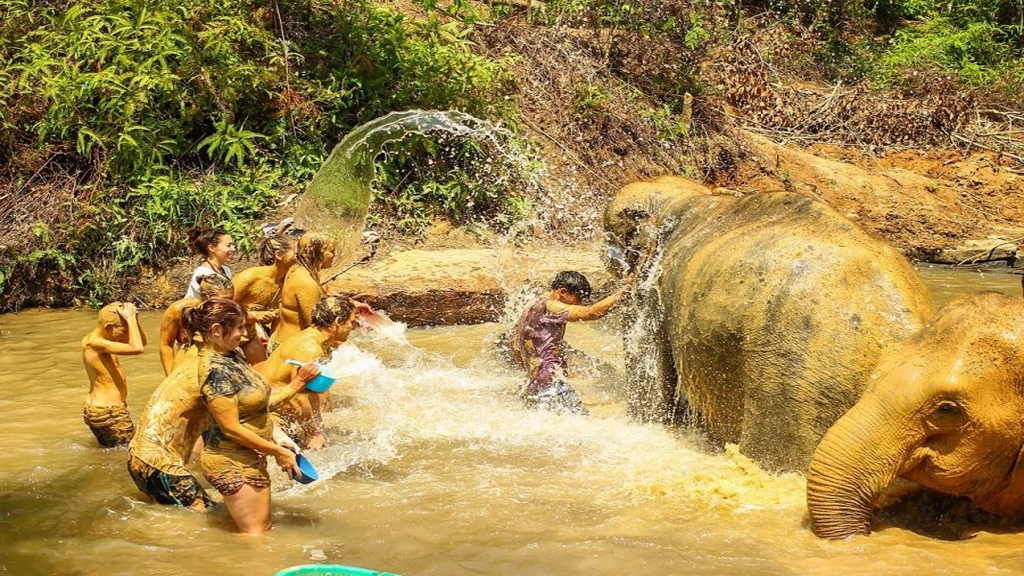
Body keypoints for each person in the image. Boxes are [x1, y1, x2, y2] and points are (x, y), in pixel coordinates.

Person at [188, 298, 320, 534]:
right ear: (217, 330)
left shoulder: (233, 355)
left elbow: (257, 404)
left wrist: (299, 382)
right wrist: (278, 452)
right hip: (231, 462)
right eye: (239, 327)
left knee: (256, 530)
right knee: (257, 538)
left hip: (248, 456)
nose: (245, 333)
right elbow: (231, 428)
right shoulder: (215, 372)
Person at [510, 271, 634, 415]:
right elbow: (591, 313)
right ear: (563, 292)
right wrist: (625, 290)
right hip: (552, 388)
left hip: (534, 388)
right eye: (578, 299)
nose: (579, 304)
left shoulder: (530, 309)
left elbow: (514, 346)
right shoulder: (551, 306)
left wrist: (535, 373)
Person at [260, 296, 359, 450]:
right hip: (270, 417)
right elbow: (298, 397)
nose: (354, 327)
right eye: (352, 322)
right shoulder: (310, 348)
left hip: (275, 412)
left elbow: (310, 392)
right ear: (338, 321)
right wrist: (313, 434)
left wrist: (320, 429)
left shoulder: (315, 341)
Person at [81, 302, 147, 446]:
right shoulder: (95, 343)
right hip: (110, 413)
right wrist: (129, 319)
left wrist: (134, 320)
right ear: (109, 328)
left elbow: (142, 342)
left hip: (102, 410)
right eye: (124, 331)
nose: (128, 336)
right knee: (126, 454)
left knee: (109, 453)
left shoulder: (102, 341)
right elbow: (137, 348)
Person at [232, 225, 301, 340]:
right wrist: (252, 315)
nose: (301, 256)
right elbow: (220, 309)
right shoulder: (250, 277)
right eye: (296, 253)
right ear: (279, 255)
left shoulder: (289, 281)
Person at [270, 232, 336, 351]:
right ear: (319, 252)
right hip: (291, 350)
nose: (334, 254)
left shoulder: (297, 268)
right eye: (331, 250)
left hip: (282, 341)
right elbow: (316, 326)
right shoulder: (306, 283)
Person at [159, 274, 234, 375]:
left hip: (221, 363)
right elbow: (166, 346)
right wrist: (170, 377)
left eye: (231, 299)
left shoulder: (231, 313)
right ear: (203, 296)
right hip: (186, 364)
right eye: (223, 300)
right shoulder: (178, 310)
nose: (227, 305)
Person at [184, 227, 235, 299]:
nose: (233, 249)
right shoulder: (203, 274)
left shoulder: (226, 270)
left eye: (232, 245)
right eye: (228, 245)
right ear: (211, 248)